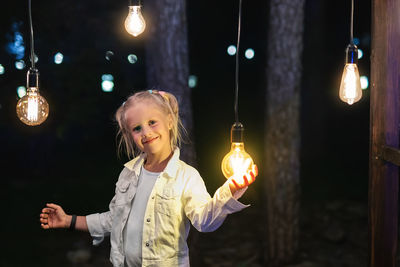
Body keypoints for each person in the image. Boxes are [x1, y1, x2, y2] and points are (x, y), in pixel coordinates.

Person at [40, 89, 258, 267]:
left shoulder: (186, 177)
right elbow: (115, 219)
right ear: (129, 136)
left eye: (152, 122)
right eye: (137, 128)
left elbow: (205, 221)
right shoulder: (128, 174)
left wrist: (230, 190)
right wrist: (68, 220)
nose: (146, 132)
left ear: (170, 121)